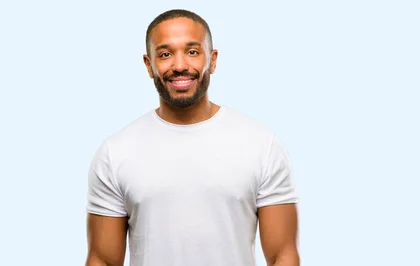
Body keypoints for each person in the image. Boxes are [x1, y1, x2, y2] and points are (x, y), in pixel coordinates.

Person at [85, 9, 300, 266]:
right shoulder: (115, 152)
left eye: (192, 52)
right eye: (165, 54)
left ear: (213, 59)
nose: (179, 66)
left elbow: (283, 255)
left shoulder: (261, 145)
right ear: (149, 65)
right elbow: (102, 260)